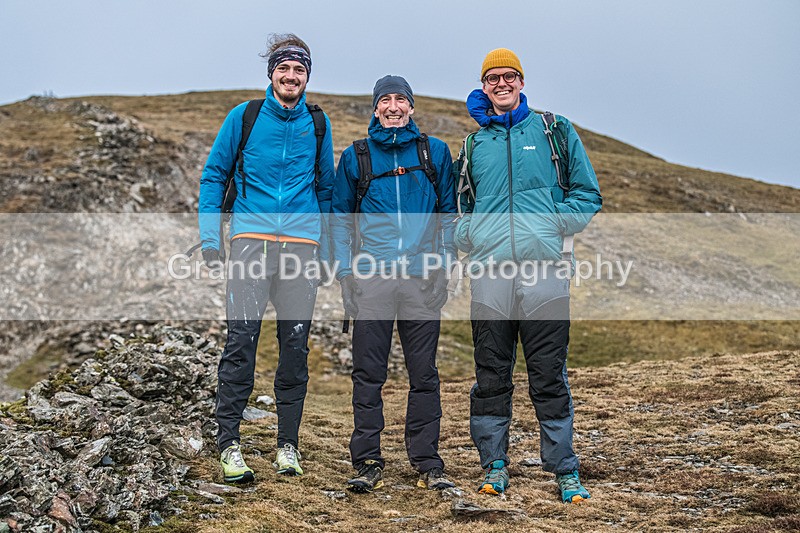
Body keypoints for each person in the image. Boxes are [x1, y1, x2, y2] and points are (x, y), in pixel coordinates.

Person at [455, 48, 602, 503]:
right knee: (491, 374)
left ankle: (564, 469)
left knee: (548, 375)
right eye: (492, 78)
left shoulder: (554, 130)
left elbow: (587, 194)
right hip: (490, 275)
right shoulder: (474, 145)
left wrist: (551, 222)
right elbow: (458, 211)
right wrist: (473, 232)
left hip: (545, 272)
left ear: (521, 81)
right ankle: (494, 465)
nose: (501, 84)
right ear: (484, 86)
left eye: (509, 76)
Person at [198, 33, 334, 483]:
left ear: (307, 77)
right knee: (241, 343)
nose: (291, 76)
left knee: (294, 348)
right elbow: (214, 176)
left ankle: (287, 447)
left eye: (299, 70)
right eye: (284, 68)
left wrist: (328, 247)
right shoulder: (245, 116)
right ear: (271, 73)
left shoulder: (318, 122)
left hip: (301, 248)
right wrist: (211, 238)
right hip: (251, 242)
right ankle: (229, 445)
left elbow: (327, 190)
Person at [330, 75, 457, 493]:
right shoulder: (356, 157)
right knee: (368, 373)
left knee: (425, 375)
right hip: (373, 281)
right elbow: (339, 221)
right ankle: (367, 459)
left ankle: (427, 461)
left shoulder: (433, 152)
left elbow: (449, 216)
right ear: (375, 108)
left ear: (412, 107)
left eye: (400, 99)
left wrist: (444, 267)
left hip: (422, 280)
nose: (393, 106)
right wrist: (346, 275)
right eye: (384, 100)